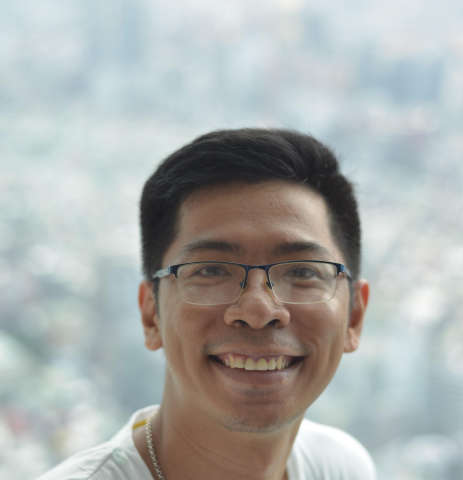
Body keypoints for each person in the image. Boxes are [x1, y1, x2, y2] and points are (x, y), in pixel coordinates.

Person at [39, 128, 374, 479]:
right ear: (151, 314)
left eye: (303, 272)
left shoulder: (339, 466)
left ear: (354, 316)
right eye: (211, 270)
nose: (258, 311)